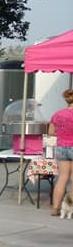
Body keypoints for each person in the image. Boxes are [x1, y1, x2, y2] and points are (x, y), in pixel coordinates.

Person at [48, 89, 73, 217]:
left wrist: (63, 133)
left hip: (61, 147)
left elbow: (51, 132)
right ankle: (70, 207)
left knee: (62, 178)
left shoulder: (58, 114)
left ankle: (55, 208)